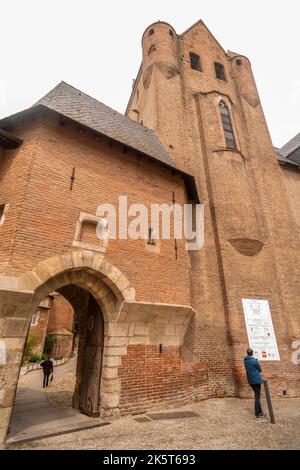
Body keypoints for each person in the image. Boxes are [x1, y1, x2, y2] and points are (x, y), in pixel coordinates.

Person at [244, 348, 264, 420]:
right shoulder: (254, 361)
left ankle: (260, 412)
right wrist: (257, 362)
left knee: (257, 395)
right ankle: (257, 414)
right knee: (257, 397)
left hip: (250, 380)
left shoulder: (245, 360)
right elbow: (260, 370)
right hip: (256, 380)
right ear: (252, 353)